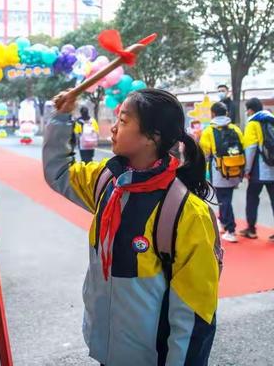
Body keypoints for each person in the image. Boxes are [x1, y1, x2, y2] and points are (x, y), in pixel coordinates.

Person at [43, 88, 220, 366]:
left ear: (153, 136)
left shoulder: (186, 213)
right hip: (106, 350)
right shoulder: (107, 181)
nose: (113, 128)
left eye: (124, 121)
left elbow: (195, 314)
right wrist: (61, 118)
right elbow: (60, 173)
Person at [200, 102, 245, 242]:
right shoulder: (235, 129)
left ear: (213, 114)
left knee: (223, 200)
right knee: (226, 198)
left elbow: (204, 153)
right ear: (226, 113)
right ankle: (222, 221)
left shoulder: (209, 131)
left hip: (219, 170)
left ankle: (230, 230)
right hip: (235, 169)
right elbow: (243, 147)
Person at [241, 98, 274, 241]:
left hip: (258, 170)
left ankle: (251, 229)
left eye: (247, 109)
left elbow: (250, 149)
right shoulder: (272, 120)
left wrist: (246, 170)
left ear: (251, 110)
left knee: (252, 198)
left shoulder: (253, 123)